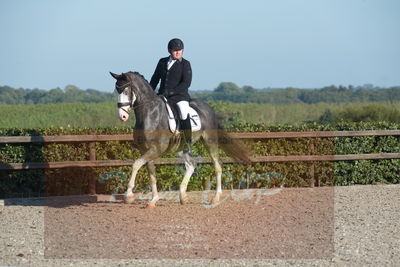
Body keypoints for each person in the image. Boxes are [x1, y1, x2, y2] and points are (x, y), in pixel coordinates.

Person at [150, 38, 193, 151]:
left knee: (184, 112)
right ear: (169, 51)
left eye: (180, 50)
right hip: (162, 96)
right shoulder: (162, 62)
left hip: (179, 97)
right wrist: (150, 92)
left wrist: (171, 92)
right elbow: (155, 78)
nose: (178, 52)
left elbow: (186, 83)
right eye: (175, 50)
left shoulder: (185, 64)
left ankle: (187, 143)